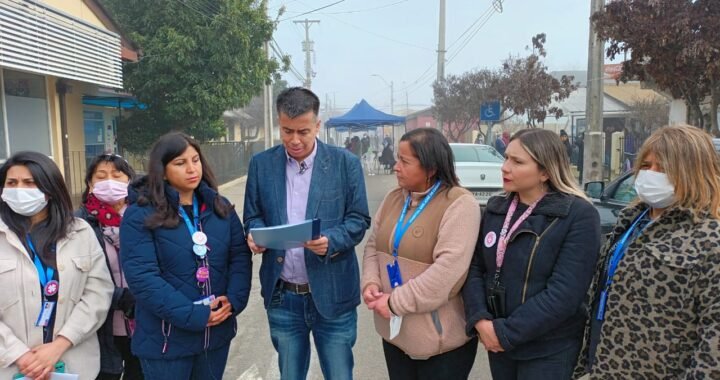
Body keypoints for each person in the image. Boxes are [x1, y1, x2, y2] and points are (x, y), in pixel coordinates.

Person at [243, 87, 371, 380]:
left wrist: (331, 241)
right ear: (279, 123)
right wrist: (256, 234)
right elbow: (252, 215)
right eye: (287, 131)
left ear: (318, 125)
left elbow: (359, 218)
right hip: (284, 296)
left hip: (333, 294)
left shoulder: (344, 164)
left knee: (339, 374)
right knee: (289, 374)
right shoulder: (262, 165)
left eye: (303, 131)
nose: (295, 140)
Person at [579, 125, 720, 379]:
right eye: (645, 165)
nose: (651, 175)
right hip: (606, 367)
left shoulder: (709, 238)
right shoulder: (631, 222)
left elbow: (714, 337)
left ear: (693, 172)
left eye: (663, 168)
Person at [463, 128, 601, 379]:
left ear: (546, 171)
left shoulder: (578, 215)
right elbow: (475, 268)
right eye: (506, 158)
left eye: (517, 162)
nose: (505, 167)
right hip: (499, 344)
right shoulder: (496, 209)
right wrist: (480, 320)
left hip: (548, 348)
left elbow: (565, 293)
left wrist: (505, 333)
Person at [121, 132, 252, 379]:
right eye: (180, 163)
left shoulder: (219, 207)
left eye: (195, 160)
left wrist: (233, 301)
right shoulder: (140, 214)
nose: (192, 169)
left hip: (215, 337)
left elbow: (239, 258)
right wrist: (195, 315)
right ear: (163, 169)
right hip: (166, 342)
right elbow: (143, 278)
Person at [362, 128, 481, 379]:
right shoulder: (394, 198)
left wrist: (395, 302)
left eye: (404, 161)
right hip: (396, 336)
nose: (395, 167)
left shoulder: (459, 203)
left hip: (440, 345)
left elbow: (447, 273)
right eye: (397, 159)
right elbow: (374, 245)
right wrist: (371, 281)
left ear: (431, 168)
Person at [0, 151, 114, 380]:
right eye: (11, 183)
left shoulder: (80, 232)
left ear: (49, 189)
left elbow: (98, 294)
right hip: (11, 366)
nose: (19, 189)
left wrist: (59, 345)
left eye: (30, 183)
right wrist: (21, 356)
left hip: (73, 362)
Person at [75, 153, 143, 380]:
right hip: (100, 326)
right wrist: (118, 297)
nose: (109, 182)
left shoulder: (145, 217)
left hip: (143, 322)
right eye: (101, 177)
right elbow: (77, 278)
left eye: (117, 175)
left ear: (129, 180)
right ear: (90, 184)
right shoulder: (78, 224)